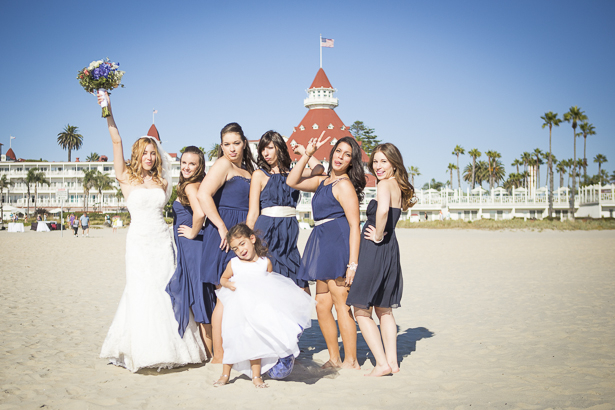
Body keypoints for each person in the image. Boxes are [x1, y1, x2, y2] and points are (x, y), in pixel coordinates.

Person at [97, 91, 206, 372]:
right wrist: (108, 109)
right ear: (137, 155)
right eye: (144, 152)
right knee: (140, 291)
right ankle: (141, 350)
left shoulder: (163, 181)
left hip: (161, 241)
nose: (148, 156)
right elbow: (116, 140)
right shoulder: (125, 177)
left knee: (165, 290)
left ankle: (177, 347)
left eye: (152, 153)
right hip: (138, 243)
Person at [287, 134, 365, 370]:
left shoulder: (344, 185)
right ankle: (334, 358)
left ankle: (351, 360)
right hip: (321, 243)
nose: (341, 157)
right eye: (338, 151)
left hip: (338, 243)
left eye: (347, 155)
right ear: (332, 154)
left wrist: (353, 263)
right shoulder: (322, 181)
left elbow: (354, 225)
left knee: (341, 302)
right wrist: (307, 153)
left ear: (352, 162)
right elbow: (292, 180)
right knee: (321, 305)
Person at [213, 223, 314, 388]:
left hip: (257, 309)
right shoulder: (234, 263)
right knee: (232, 339)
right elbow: (223, 279)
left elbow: (270, 285)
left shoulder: (264, 262)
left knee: (255, 340)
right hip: (237, 310)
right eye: (235, 248)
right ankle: (225, 374)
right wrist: (229, 284)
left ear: (252, 239)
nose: (240, 250)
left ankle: (256, 376)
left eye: (242, 244)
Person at [347, 143, 416, 377]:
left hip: (376, 249)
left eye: (383, 161)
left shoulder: (384, 184)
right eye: (375, 162)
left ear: (394, 163)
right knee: (384, 310)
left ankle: (381, 364)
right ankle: (393, 363)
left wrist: (376, 234)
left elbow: (383, 211)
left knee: (360, 310)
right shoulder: (398, 186)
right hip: (390, 249)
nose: (378, 166)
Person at [196, 122, 255, 363]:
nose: (232, 149)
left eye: (236, 143)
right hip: (224, 233)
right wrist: (221, 226)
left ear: (244, 143)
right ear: (221, 146)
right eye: (227, 144)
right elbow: (202, 194)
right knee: (223, 293)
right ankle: (219, 355)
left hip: (242, 233)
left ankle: (234, 349)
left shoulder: (248, 171)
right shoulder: (223, 164)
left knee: (238, 293)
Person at [246, 130, 324, 293]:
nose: (265, 153)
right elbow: (253, 213)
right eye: (262, 149)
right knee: (270, 283)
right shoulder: (259, 175)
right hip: (267, 230)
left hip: (288, 232)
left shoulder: (293, 173)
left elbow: (319, 170)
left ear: (280, 148)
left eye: (269, 148)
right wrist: (248, 243)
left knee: (302, 289)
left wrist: (305, 153)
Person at [166, 146, 214, 358]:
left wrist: (193, 232)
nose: (186, 167)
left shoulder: (191, 188)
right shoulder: (194, 184)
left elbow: (200, 213)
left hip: (192, 247)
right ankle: (212, 352)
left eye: (192, 163)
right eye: (184, 162)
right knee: (201, 296)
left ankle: (213, 354)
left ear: (199, 166)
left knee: (199, 300)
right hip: (192, 248)